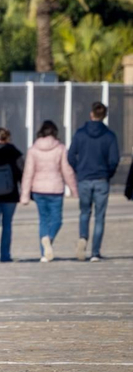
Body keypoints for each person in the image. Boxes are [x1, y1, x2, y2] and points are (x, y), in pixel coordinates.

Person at [67, 102, 119, 262]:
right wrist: (107, 173)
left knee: (84, 212)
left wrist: (79, 169)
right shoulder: (109, 135)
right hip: (101, 178)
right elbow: (114, 159)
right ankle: (95, 252)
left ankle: (83, 237)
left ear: (91, 114)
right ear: (104, 116)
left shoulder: (80, 134)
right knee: (100, 216)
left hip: (84, 178)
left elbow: (70, 156)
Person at [20, 121, 75, 262]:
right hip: (55, 188)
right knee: (57, 220)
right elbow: (66, 170)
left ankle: (44, 253)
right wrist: (74, 189)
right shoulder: (60, 148)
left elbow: (28, 173)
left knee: (43, 220)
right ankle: (49, 240)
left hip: (38, 189)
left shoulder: (33, 149)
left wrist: (25, 195)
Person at [0, 128, 24, 263]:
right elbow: (21, 171)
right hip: (10, 194)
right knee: (7, 225)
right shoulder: (14, 151)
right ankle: (5, 254)